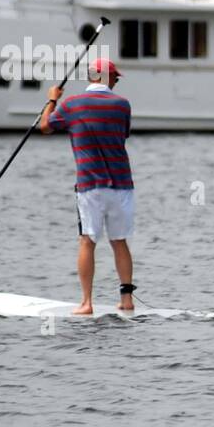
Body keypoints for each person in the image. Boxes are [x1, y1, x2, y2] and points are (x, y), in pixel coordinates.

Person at [38, 57, 135, 315]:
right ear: (105, 78)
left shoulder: (72, 105)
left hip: (90, 186)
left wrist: (52, 99)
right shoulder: (123, 105)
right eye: (114, 77)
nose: (116, 81)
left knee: (87, 241)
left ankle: (86, 302)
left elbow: (45, 127)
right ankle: (127, 301)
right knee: (119, 241)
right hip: (122, 185)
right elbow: (122, 134)